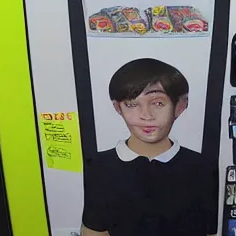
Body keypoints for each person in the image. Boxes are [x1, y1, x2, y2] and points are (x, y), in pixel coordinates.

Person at [81, 58, 219, 236]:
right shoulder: (100, 167)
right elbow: (95, 232)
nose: (146, 116)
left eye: (158, 103)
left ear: (180, 106)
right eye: (132, 104)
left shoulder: (202, 167)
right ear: (118, 108)